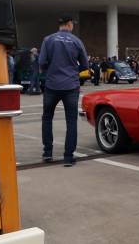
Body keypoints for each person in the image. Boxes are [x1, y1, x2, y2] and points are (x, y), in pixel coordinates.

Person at [38, 14, 89, 167]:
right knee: (71, 121)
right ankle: (68, 157)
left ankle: (48, 153)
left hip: (51, 85)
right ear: (69, 24)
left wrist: (50, 71)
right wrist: (73, 71)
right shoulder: (76, 41)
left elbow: (42, 62)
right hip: (71, 86)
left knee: (47, 118)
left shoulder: (48, 40)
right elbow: (85, 65)